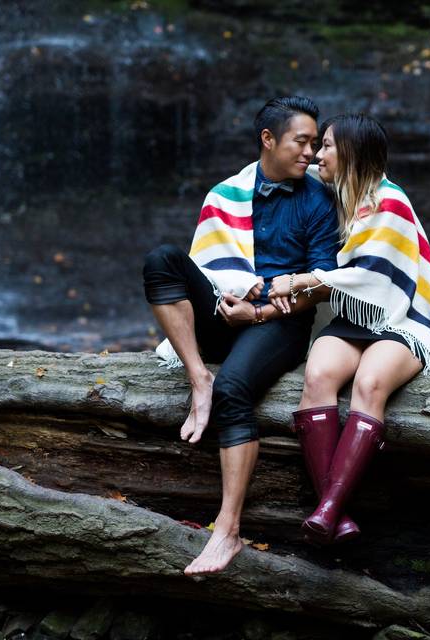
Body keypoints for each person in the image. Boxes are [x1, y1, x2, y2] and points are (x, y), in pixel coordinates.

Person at [141, 96, 340, 573]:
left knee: (235, 389)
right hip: (223, 309)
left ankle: (227, 531)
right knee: (162, 260)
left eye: (316, 144)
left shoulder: (318, 200)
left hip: (279, 324)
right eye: (302, 142)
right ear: (268, 140)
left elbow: (321, 284)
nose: (311, 153)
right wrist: (233, 305)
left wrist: (258, 313)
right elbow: (210, 265)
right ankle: (197, 379)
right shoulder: (226, 193)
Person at [268, 114, 430, 545]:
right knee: (318, 375)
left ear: (351, 153)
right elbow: (278, 168)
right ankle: (337, 513)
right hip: (357, 318)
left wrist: (300, 280)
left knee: (369, 382)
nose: (316, 155)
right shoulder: (337, 187)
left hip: (404, 318)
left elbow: (372, 277)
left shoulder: (390, 201)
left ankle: (328, 507)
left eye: (326, 146)